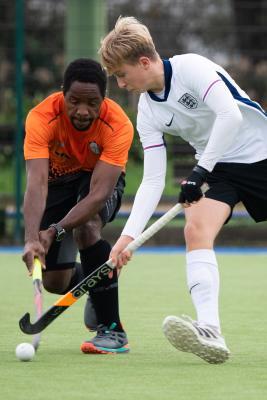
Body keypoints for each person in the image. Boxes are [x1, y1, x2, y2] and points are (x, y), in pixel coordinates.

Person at [99, 16, 267, 364]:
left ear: (144, 62)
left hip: (260, 151)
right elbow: (153, 179)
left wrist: (199, 170)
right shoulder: (147, 110)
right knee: (196, 229)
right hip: (220, 170)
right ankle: (211, 330)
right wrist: (129, 237)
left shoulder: (192, 67)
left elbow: (230, 116)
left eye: (121, 74)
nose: (120, 83)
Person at [22, 58, 134, 354]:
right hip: (58, 181)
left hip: (97, 181)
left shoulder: (118, 124)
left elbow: (97, 194)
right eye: (74, 101)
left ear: (104, 99)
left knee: (87, 227)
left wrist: (56, 231)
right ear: (62, 94)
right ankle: (101, 273)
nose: (83, 111)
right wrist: (33, 238)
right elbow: (36, 183)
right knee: (56, 282)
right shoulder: (40, 117)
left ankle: (113, 331)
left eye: (92, 103)